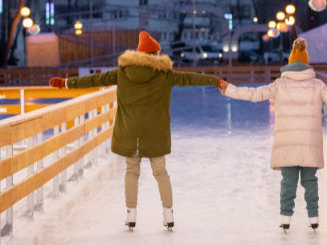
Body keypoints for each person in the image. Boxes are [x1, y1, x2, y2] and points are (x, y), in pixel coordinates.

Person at [49, 32, 222, 231]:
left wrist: (66, 83)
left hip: (130, 131)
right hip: (155, 132)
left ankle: (131, 215)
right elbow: (191, 78)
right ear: (156, 54)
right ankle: (168, 213)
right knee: (160, 172)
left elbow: (95, 80)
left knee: (132, 171)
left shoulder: (122, 72)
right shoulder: (165, 74)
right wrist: (215, 81)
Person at [218, 38, 327, 232]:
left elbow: (254, 94)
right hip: (309, 143)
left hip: (287, 143)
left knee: (288, 181)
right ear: (306, 64)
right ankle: (313, 217)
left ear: (289, 63)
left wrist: (229, 89)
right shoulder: (317, 85)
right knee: (310, 181)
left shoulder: (279, 85)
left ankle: (285, 218)